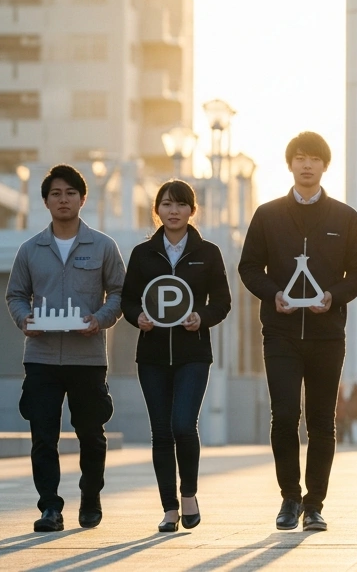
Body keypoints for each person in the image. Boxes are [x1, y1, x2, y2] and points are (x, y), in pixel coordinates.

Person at [238, 131, 357, 532]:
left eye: (314, 158)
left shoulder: (344, 217)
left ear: (325, 165)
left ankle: (314, 504)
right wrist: (273, 293)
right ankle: (289, 498)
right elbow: (248, 267)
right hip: (280, 331)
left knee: (321, 420)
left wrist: (333, 296)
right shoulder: (268, 214)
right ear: (290, 164)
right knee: (284, 414)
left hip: (327, 334)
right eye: (300, 157)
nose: (307, 165)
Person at [5, 164, 125, 532]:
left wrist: (99, 319)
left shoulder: (103, 246)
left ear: (82, 199)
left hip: (87, 358)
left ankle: (90, 497)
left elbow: (120, 293)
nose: (63, 199)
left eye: (70, 193)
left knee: (91, 434)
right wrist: (24, 319)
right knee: (43, 436)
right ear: (45, 201)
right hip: (41, 357)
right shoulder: (30, 249)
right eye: (55, 194)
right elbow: (15, 295)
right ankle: (49, 508)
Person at [120, 179, 231, 533]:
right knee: (161, 432)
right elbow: (128, 299)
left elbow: (223, 302)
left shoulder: (208, 252)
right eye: (166, 204)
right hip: (152, 355)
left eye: (181, 204)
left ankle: (189, 494)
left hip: (193, 353)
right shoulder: (142, 254)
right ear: (157, 210)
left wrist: (202, 317)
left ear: (192, 210)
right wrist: (137, 317)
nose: (173, 211)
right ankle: (169, 508)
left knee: (183, 424)